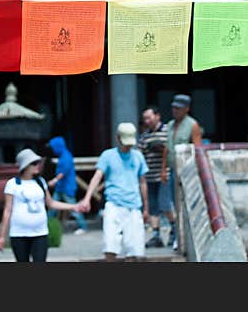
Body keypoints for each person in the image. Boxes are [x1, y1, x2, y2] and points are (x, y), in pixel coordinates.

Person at [80, 122, 149, 261]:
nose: (128, 146)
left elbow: (142, 181)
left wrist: (146, 207)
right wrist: (87, 198)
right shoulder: (108, 155)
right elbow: (97, 176)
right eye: (125, 142)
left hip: (134, 205)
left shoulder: (138, 156)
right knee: (110, 245)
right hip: (113, 204)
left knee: (135, 250)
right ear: (118, 138)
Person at [0, 148, 81, 262]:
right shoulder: (12, 184)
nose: (38, 165)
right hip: (19, 233)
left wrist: (74, 206)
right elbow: (7, 211)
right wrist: (2, 236)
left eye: (38, 162)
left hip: (40, 233)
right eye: (34, 163)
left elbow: (51, 203)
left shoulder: (40, 182)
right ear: (25, 165)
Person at [161, 94, 202, 252]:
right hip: (172, 170)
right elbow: (166, 148)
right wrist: (163, 168)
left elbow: (197, 149)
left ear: (187, 109)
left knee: (184, 206)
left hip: (186, 171)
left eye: (178, 108)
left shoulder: (192, 125)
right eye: (173, 107)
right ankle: (177, 236)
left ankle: (182, 238)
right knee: (172, 205)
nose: (174, 110)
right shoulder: (170, 125)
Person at [138, 107, 176, 249]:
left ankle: (174, 228)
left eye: (149, 117)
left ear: (157, 116)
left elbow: (170, 149)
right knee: (153, 207)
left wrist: (160, 148)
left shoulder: (168, 131)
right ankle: (156, 235)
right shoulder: (145, 135)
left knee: (165, 204)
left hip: (164, 174)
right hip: (149, 175)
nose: (147, 121)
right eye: (145, 119)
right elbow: (139, 151)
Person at [47, 136, 87, 235]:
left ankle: (83, 226)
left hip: (67, 187)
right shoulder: (62, 156)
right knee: (52, 207)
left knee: (73, 207)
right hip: (60, 187)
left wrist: (54, 181)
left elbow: (63, 173)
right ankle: (46, 226)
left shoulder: (66, 157)